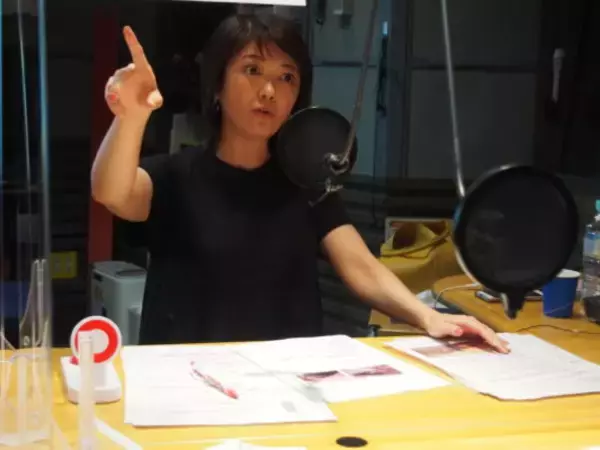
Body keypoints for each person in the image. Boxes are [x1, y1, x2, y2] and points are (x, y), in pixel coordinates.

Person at [91, 13, 508, 352]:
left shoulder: (306, 179)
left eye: (286, 77)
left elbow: (360, 266)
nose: (269, 90)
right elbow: (110, 191)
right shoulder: (174, 177)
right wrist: (132, 116)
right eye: (252, 70)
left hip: (287, 384)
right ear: (217, 84)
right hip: (189, 385)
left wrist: (428, 317)